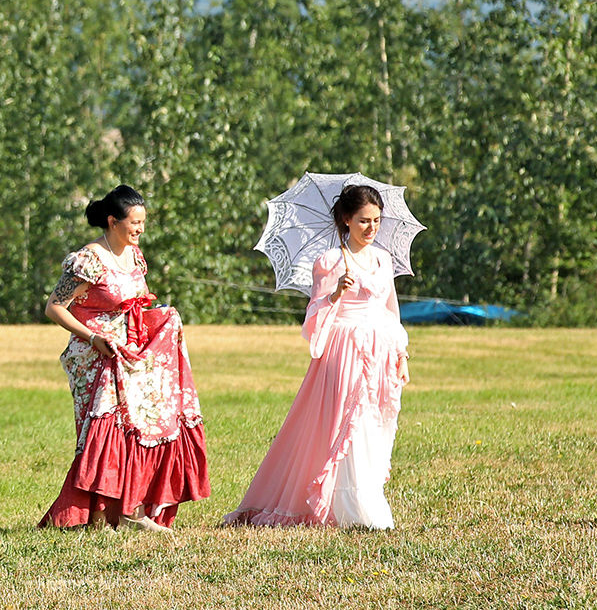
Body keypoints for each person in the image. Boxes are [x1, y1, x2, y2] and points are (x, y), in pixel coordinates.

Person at [224, 184, 411, 530]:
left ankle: (366, 497)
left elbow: (391, 310)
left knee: (372, 424)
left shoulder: (383, 260)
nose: (371, 228)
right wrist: (335, 293)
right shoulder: (329, 262)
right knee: (347, 423)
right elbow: (313, 317)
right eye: (363, 221)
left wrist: (401, 353)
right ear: (346, 220)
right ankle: (351, 507)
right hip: (344, 349)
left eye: (376, 221)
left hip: (380, 351)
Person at [39, 185, 210, 533]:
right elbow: (54, 307)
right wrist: (95, 337)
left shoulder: (135, 255)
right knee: (106, 431)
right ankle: (99, 517)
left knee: (140, 427)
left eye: (143, 222)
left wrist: (160, 318)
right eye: (134, 222)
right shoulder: (87, 259)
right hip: (95, 356)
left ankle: (133, 510)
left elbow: (137, 302)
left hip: (132, 355)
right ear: (112, 221)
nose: (140, 229)